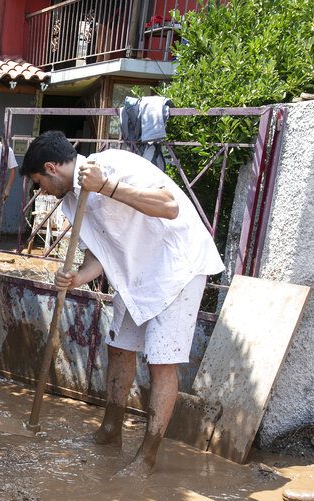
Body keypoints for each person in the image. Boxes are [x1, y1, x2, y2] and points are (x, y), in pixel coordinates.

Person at [20, 131, 223, 476]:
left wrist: (107, 186)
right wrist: (78, 278)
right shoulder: (71, 198)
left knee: (161, 362)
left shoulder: (113, 164)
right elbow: (99, 252)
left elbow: (169, 205)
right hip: (136, 277)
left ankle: (147, 457)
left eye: (39, 182)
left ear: (52, 168)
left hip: (176, 268)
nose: (41, 191)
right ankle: (110, 431)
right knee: (119, 347)